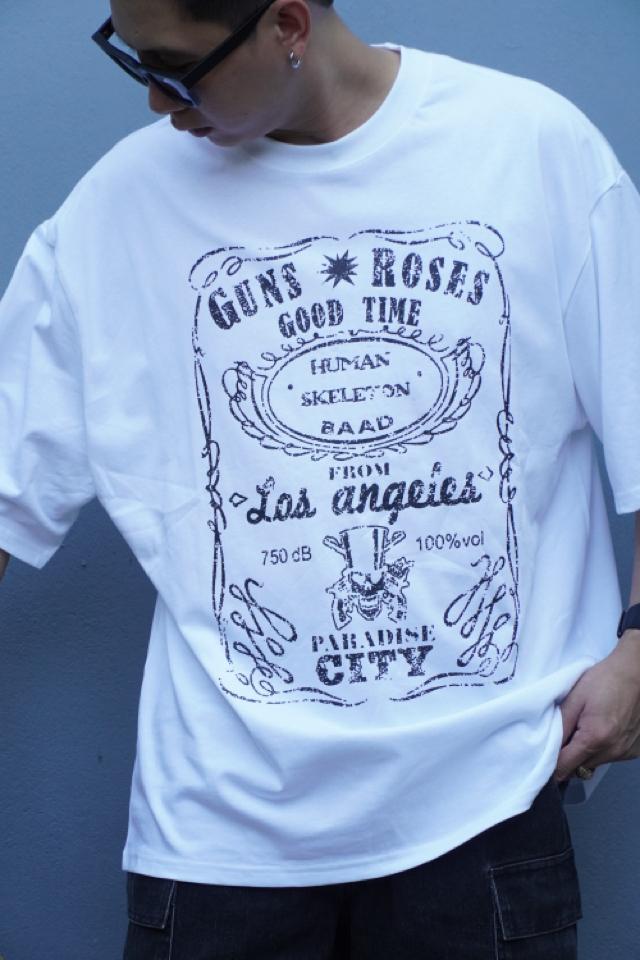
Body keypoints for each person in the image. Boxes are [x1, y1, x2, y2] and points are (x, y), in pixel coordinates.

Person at [1, 0, 640, 956]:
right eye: (132, 62)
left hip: (487, 805)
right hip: (222, 836)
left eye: (177, 68)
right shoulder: (115, 212)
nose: (157, 102)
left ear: (289, 26)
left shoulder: (531, 148)